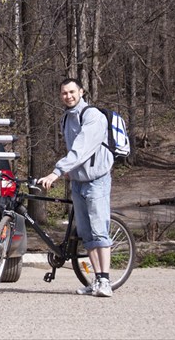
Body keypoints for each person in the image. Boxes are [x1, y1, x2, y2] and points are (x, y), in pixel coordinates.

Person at [37, 78, 115, 297]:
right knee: (86, 233)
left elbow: (81, 149)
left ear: (81, 91)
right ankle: (95, 280)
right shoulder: (66, 118)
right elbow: (73, 150)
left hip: (96, 179)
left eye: (72, 92)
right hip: (78, 182)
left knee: (99, 231)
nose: (68, 96)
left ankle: (105, 281)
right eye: (64, 93)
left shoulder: (92, 116)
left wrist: (57, 171)